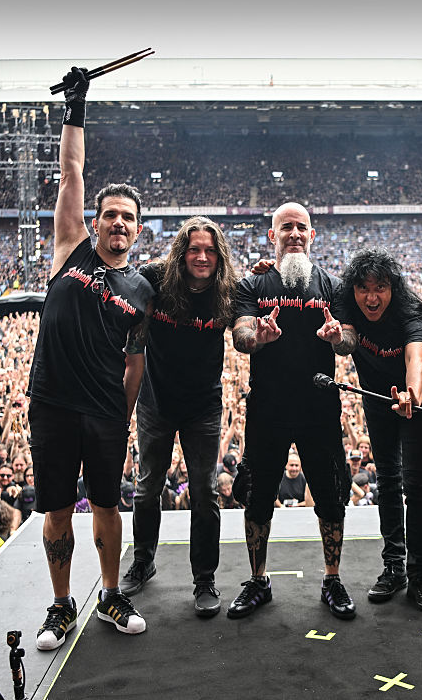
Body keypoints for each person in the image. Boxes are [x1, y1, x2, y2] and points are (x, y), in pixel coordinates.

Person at [28, 66, 153, 650]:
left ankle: (109, 594)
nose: (118, 223)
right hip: (53, 402)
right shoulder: (68, 250)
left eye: (128, 217)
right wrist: (77, 105)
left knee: (107, 504)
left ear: (138, 230)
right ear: (95, 222)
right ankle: (61, 604)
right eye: (110, 215)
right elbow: (72, 171)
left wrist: (122, 415)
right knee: (56, 509)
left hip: (104, 411)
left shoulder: (142, 291)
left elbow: (136, 362)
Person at [229, 202, 357, 620]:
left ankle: (332, 579)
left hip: (319, 407)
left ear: (312, 235)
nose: (295, 233)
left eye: (302, 227)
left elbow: (349, 340)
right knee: (257, 497)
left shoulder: (333, 286)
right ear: (273, 235)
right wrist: (258, 337)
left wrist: (337, 337)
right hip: (267, 407)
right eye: (286, 227)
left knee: (331, 496)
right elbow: (240, 335)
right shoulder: (253, 284)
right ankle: (258, 580)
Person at [121, 216, 238, 619]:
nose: (202, 257)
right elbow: (123, 305)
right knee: (147, 488)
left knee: (205, 492)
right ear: (181, 253)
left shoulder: (228, 289)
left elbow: (251, 313)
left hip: (203, 406)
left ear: (219, 255)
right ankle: (142, 561)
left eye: (209, 250)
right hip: (155, 401)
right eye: (194, 249)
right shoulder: (154, 278)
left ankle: (204, 578)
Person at [331, 247, 422, 612]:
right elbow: (345, 340)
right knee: (389, 480)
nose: (371, 297)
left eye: (380, 287)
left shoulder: (409, 308)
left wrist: (412, 395)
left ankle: (419, 573)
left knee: (416, 484)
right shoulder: (344, 300)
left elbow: (417, 358)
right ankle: (393, 566)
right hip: (376, 398)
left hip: (418, 398)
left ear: (392, 288)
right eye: (364, 288)